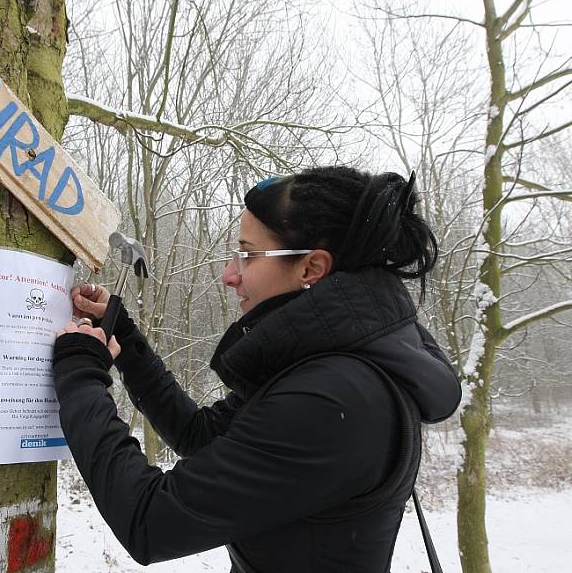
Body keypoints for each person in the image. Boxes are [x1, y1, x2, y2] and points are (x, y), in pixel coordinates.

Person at [52, 166, 461, 572]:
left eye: (247, 254)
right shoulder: (328, 363)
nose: (229, 274)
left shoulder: (336, 397)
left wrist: (81, 373)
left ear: (311, 269)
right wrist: (122, 336)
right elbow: (199, 435)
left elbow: (148, 520)